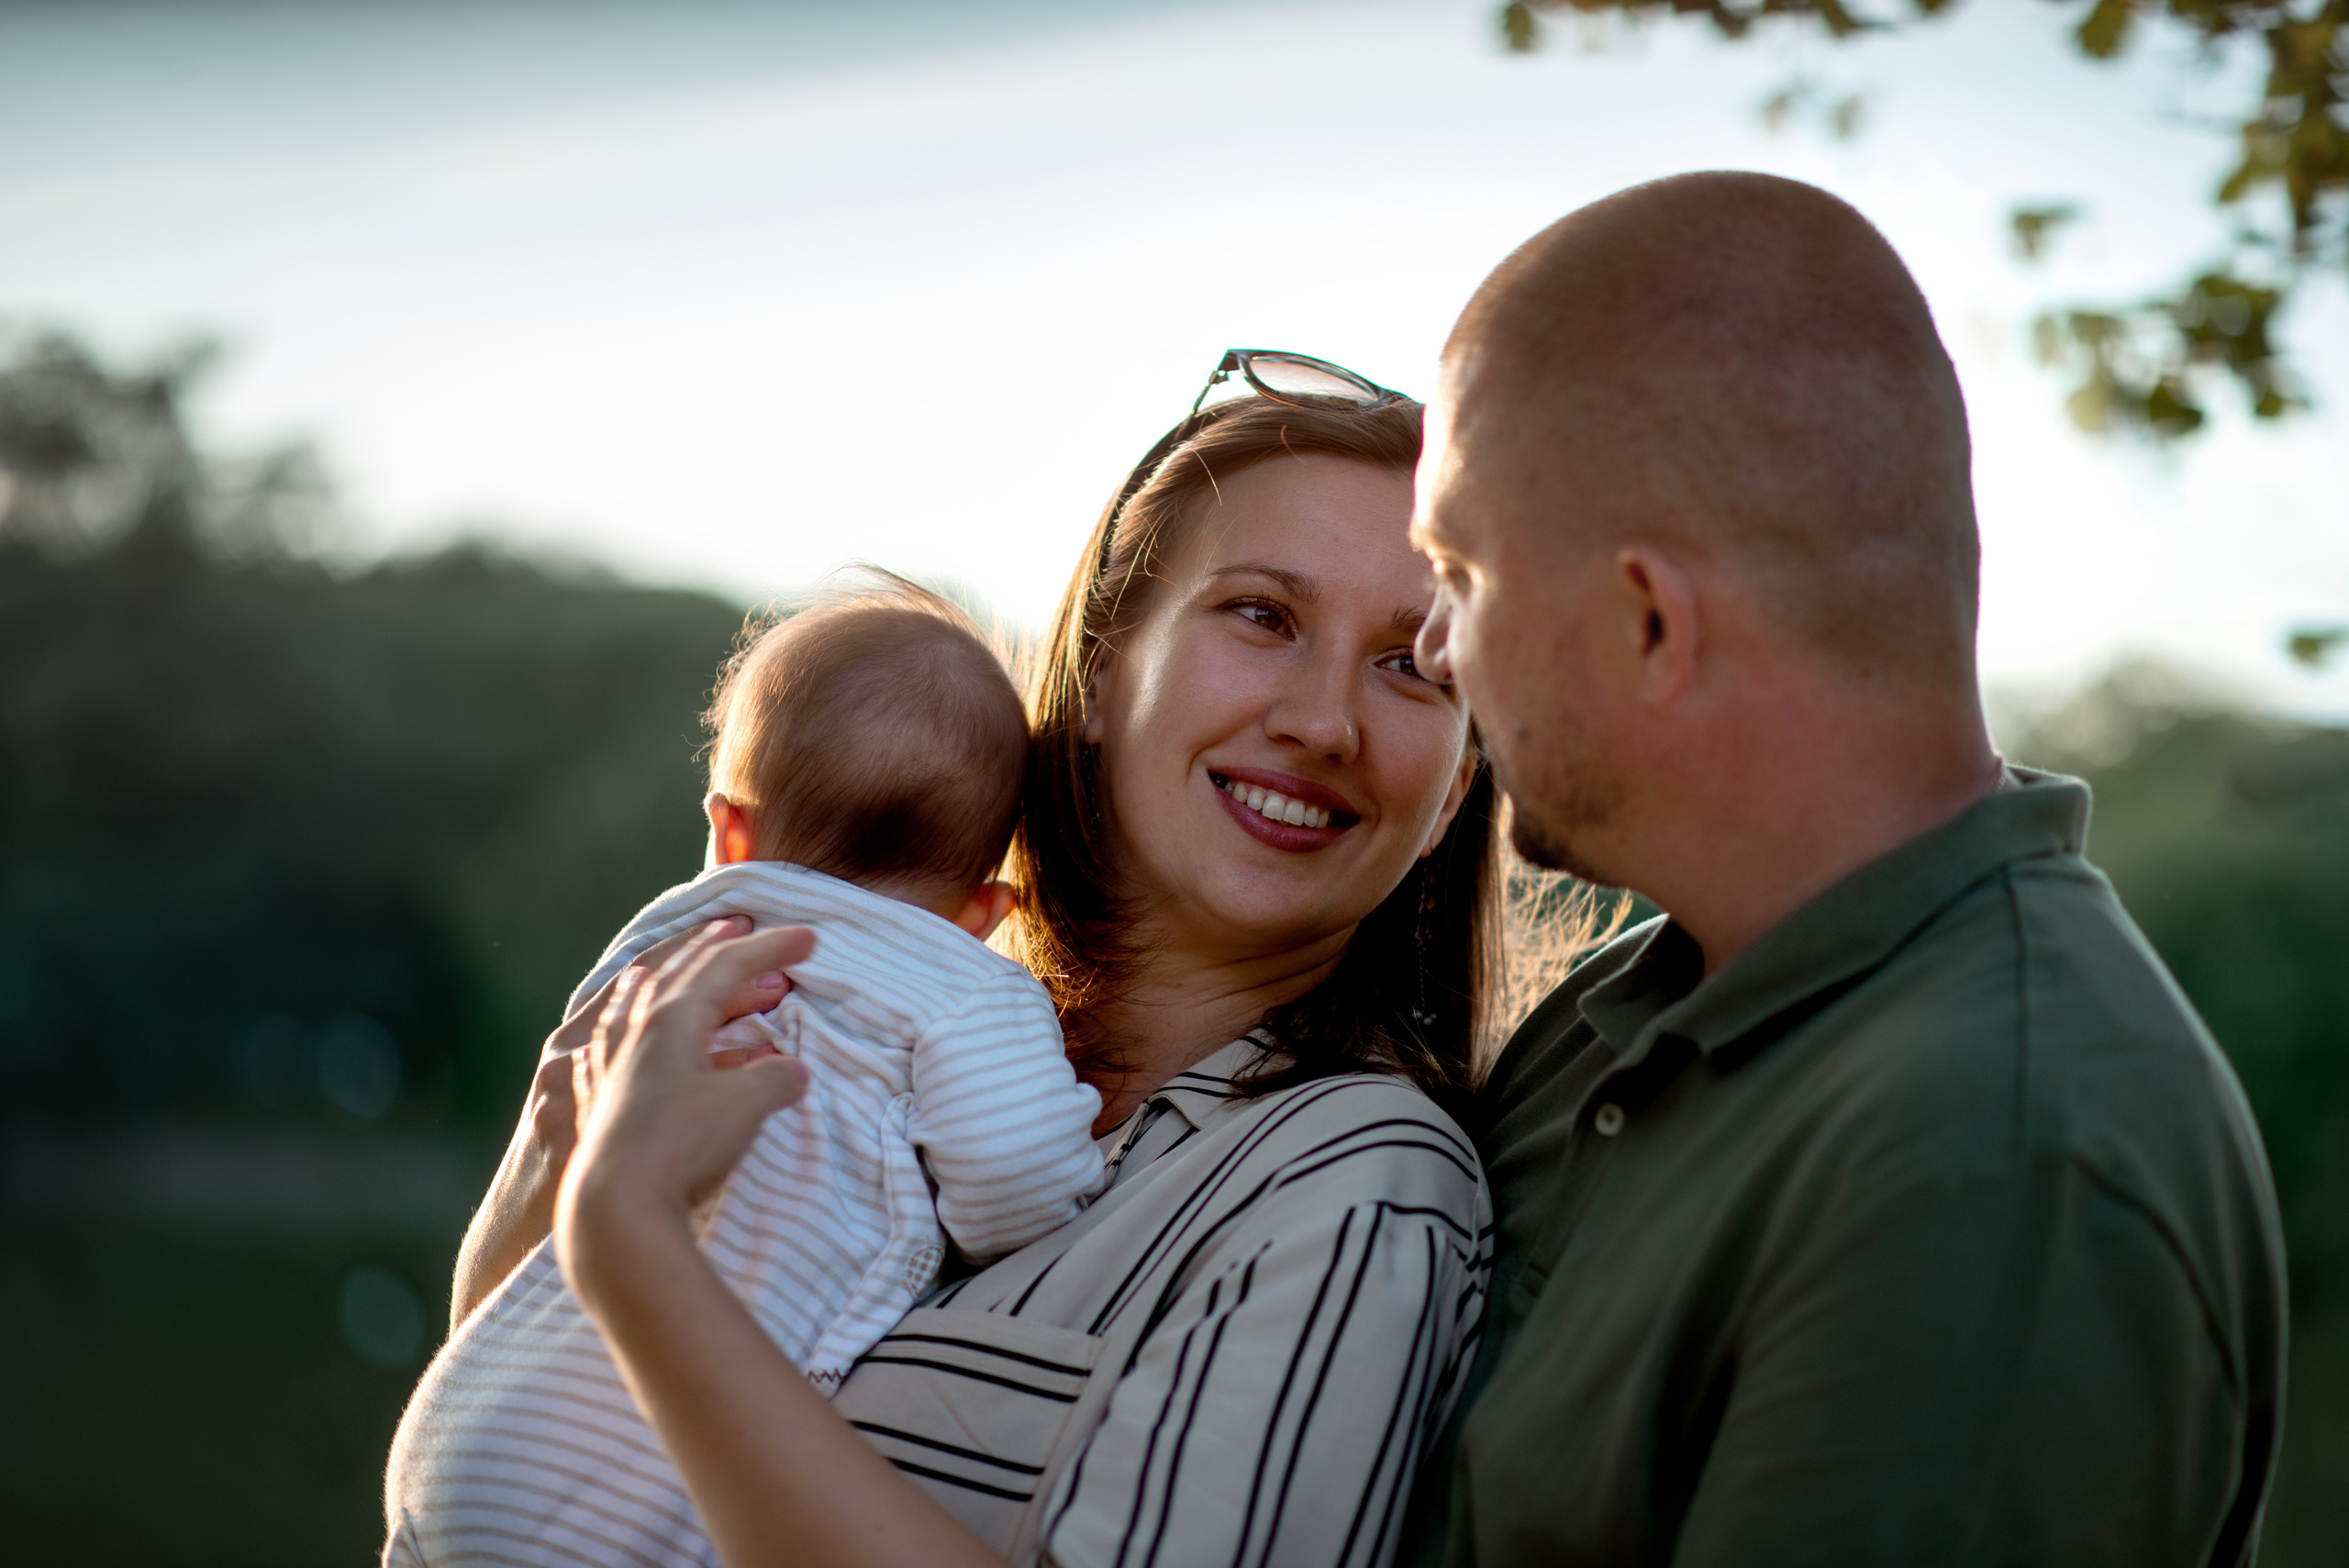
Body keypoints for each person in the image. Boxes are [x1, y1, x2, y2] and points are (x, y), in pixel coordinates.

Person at [442, 354, 1514, 1568]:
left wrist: (628, 1237)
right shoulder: (846, 1022)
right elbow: (521, 1420)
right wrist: (546, 1177)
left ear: (1454, 789)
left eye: (1414, 666)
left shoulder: (1356, 1187)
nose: (1324, 722)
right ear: (1107, 669)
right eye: (1263, 616)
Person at [1399, 172, 2288, 1565]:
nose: (1438, 652)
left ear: (1649, 621)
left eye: (1460, 570)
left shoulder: (1998, 1156)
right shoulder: (1617, 1017)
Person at [382, 582, 1106, 1567]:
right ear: (985, 909)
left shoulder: (670, 938)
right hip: (656, 1476)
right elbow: (1017, 1183)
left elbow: (561, 1112)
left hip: (476, 1418)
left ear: (730, 833)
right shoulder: (964, 985)